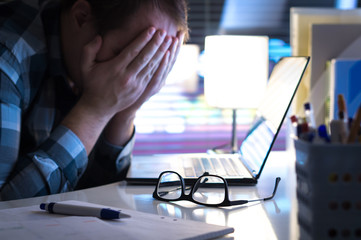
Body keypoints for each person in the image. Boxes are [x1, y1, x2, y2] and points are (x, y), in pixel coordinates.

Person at [0, 0, 189, 200]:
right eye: (126, 55)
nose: (131, 78)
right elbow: (6, 213)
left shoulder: (80, 57)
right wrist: (94, 109)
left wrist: (126, 111)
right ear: (81, 18)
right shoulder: (7, 60)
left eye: (152, 60)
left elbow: (96, 195)